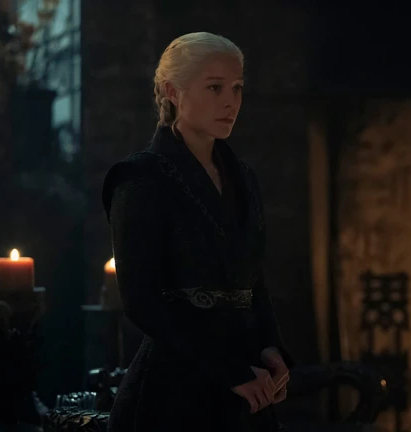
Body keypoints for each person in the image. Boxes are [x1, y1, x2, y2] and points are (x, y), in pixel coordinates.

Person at [101, 32, 294, 431]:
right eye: (214, 87)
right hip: (175, 386)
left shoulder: (243, 177)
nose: (231, 102)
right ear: (173, 92)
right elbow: (141, 300)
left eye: (237, 88)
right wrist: (230, 371)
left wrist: (270, 347)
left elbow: (252, 280)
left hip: (249, 383)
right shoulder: (140, 179)